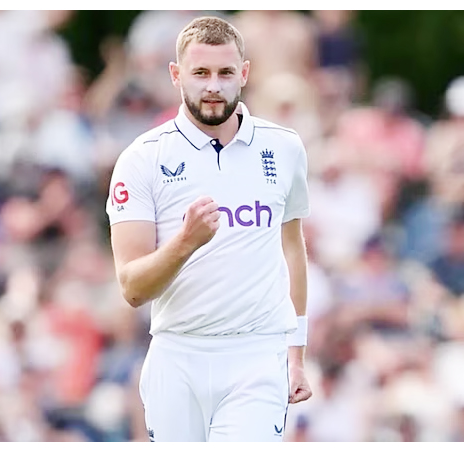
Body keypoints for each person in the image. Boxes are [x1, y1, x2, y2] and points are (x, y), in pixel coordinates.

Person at [106, 16, 312, 442]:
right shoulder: (142, 158)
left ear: (245, 73)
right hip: (177, 352)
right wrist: (185, 242)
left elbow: (292, 246)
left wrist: (297, 353)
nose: (213, 86)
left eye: (225, 73)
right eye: (200, 73)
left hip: (256, 353)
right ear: (176, 75)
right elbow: (133, 288)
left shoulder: (284, 147)